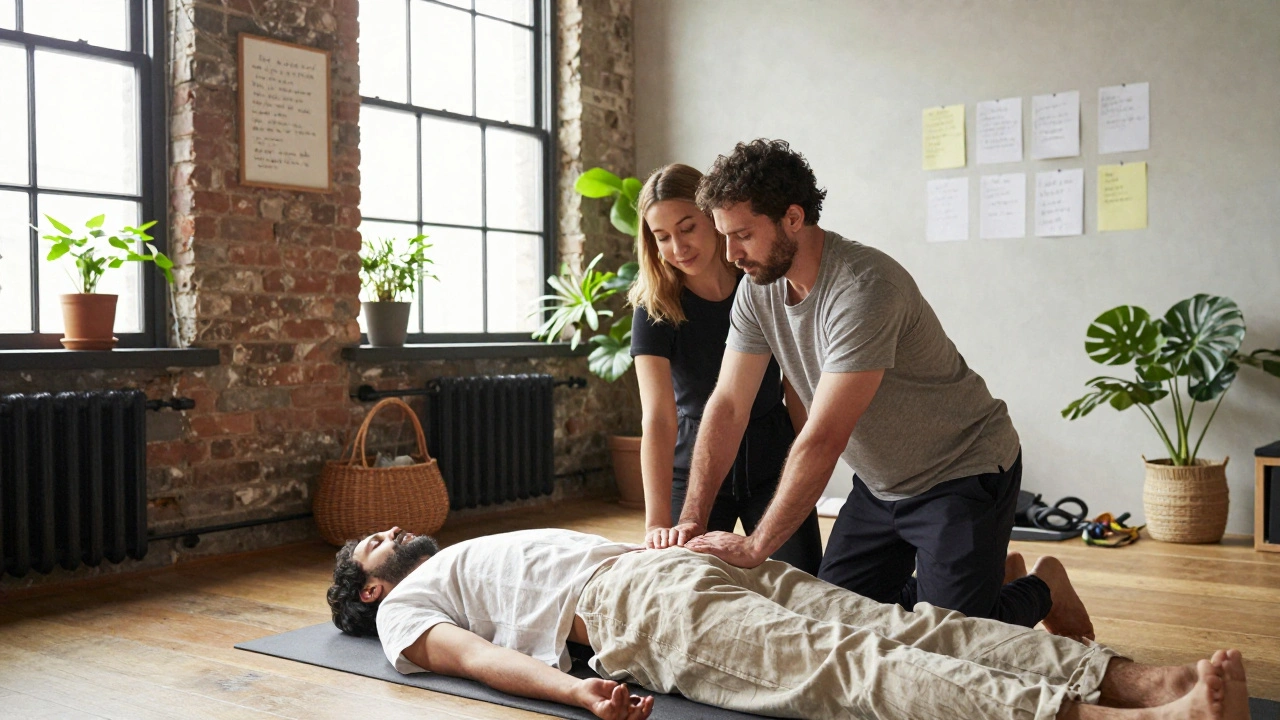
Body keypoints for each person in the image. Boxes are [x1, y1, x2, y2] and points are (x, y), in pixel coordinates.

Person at [668, 138, 1075, 636]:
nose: (730, 255)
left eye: (743, 235)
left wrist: (755, 547)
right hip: (881, 484)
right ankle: (980, 585)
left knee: (951, 643)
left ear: (793, 218)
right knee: (831, 621)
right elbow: (729, 405)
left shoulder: (863, 288)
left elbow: (823, 437)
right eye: (724, 236)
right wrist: (693, 518)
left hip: (960, 471)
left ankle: (1041, 586)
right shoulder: (758, 291)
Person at [327, 526, 1250, 720]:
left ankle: (1142, 682)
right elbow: (479, 659)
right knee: (853, 665)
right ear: (369, 592)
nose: (392, 533)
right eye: (373, 543)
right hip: (630, 610)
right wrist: (575, 689)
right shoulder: (412, 602)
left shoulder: (456, 550)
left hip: (673, 566)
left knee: (910, 625)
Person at [629, 162, 821, 573]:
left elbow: (795, 383)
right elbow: (659, 418)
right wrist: (656, 523)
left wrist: (809, 468)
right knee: (685, 584)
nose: (678, 247)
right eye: (662, 237)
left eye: (687, 228)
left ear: (715, 220)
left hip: (772, 461)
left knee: (808, 585)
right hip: (696, 468)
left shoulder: (763, 283)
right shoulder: (654, 308)